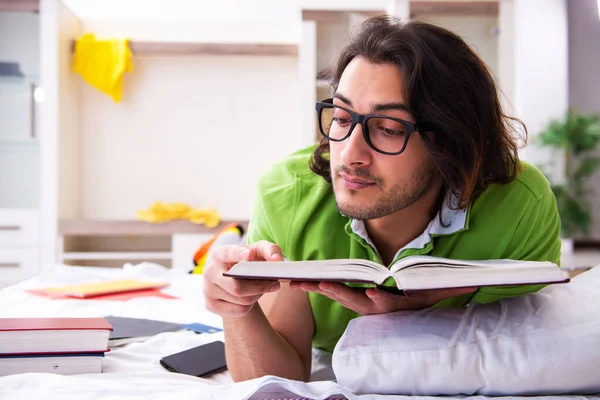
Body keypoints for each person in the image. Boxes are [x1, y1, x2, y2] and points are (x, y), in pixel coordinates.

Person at [202, 16, 561, 382]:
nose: (350, 153)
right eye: (342, 118)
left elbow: (527, 361)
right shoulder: (287, 195)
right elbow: (275, 382)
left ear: (451, 140)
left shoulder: (519, 205)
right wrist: (238, 310)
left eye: (389, 128)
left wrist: (419, 323)